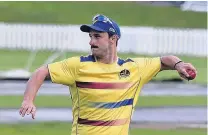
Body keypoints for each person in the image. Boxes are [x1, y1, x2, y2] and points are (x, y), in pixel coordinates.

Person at [19, 14, 197, 135]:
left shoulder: (134, 68)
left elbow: (164, 60)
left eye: (97, 36)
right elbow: (41, 72)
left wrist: (179, 65)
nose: (91, 42)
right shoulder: (77, 66)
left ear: (113, 39)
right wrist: (28, 100)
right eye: (90, 37)